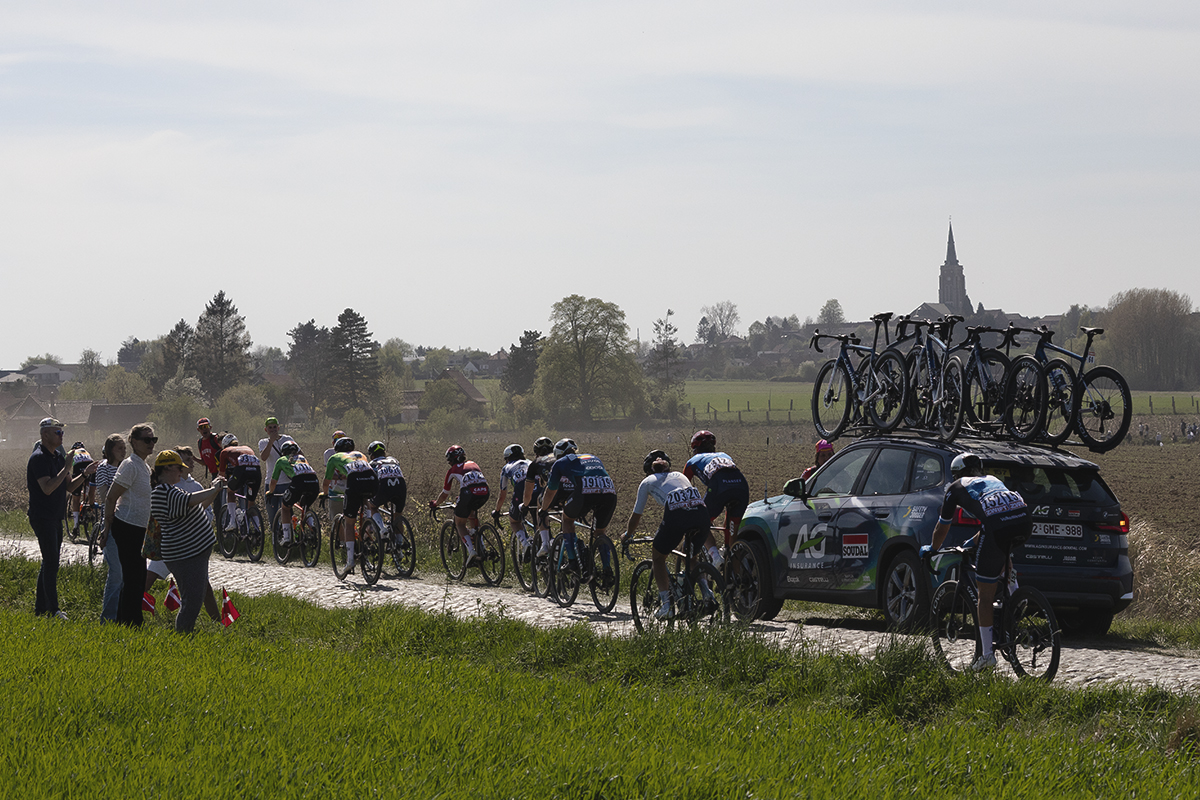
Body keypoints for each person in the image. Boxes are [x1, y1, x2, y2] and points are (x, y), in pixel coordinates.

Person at [924, 453, 1032, 672]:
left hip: (997, 527)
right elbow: (996, 517)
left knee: (984, 594)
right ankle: (1014, 592)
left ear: (956, 474)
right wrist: (971, 542)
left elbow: (942, 526)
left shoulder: (955, 488)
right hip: (1024, 521)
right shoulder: (992, 480)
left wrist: (932, 549)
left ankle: (987, 655)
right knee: (1003, 547)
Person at [621, 450, 712, 620]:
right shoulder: (680, 475)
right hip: (701, 514)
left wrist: (628, 535)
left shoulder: (647, 482)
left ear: (649, 470)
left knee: (658, 557)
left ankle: (667, 606)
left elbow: (636, 516)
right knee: (691, 556)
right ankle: (707, 593)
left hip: (677, 516)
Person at [27, 417, 97, 619]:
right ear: (45, 434)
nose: (61, 435)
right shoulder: (39, 458)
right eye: (57, 432)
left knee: (49, 562)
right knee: (51, 562)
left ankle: (41, 609)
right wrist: (67, 466)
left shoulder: (58, 457)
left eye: (62, 432)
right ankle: (53, 610)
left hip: (55, 516)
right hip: (42, 516)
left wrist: (84, 474)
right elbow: (48, 488)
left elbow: (68, 486)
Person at [149, 451, 226, 633]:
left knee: (195, 596)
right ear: (167, 468)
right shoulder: (162, 492)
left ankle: (187, 633)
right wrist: (214, 488)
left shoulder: (170, 489)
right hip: (185, 555)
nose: (181, 472)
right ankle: (183, 636)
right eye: (179, 468)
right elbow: (190, 501)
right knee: (191, 601)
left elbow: (196, 506)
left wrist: (215, 489)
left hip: (192, 553)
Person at [99, 423, 157, 626]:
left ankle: (126, 621)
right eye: (146, 440)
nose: (151, 444)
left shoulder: (144, 466)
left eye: (153, 440)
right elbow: (111, 497)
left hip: (140, 529)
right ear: (134, 441)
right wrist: (107, 528)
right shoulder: (130, 465)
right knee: (132, 578)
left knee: (138, 578)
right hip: (126, 526)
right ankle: (130, 624)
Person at [538, 439, 617, 571]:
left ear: (558, 454)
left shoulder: (559, 463)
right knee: (600, 532)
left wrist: (543, 509)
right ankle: (607, 569)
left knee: (567, 519)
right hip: (609, 492)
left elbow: (551, 490)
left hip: (585, 492)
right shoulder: (592, 457)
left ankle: (572, 561)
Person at [683, 430, 750, 567]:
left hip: (719, 486)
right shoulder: (725, 455)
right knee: (733, 536)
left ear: (695, 449)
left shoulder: (691, 462)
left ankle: (715, 557)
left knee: (699, 523)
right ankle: (735, 577)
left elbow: (683, 487)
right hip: (741, 487)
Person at [321, 437, 377, 572]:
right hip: (372, 480)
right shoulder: (360, 455)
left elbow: (326, 481)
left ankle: (350, 560)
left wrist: (324, 493)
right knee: (367, 502)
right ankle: (376, 526)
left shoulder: (334, 458)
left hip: (354, 483)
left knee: (349, 522)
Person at [429, 445, 490, 565]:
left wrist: (436, 503)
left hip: (468, 494)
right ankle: (480, 545)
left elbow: (445, 493)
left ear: (451, 459)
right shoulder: (474, 463)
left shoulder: (452, 471)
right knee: (472, 514)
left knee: (460, 523)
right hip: (485, 492)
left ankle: (471, 551)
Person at [94, 434, 126, 622]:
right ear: (110, 449)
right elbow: (105, 496)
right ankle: (108, 617)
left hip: (128, 522)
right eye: (119, 448)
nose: (123, 451)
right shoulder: (103, 469)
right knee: (116, 573)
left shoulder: (127, 467)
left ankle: (121, 614)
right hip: (112, 522)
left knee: (125, 574)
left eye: (124, 447)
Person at [267, 440, 320, 545]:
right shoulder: (302, 458)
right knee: (304, 506)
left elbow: (273, 481)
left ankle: (286, 537)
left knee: (285, 508)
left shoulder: (281, 460)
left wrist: (270, 492)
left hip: (299, 482)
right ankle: (311, 525)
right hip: (314, 482)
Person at [258, 417, 295, 546]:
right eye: (270, 428)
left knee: (288, 512)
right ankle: (275, 542)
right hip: (271, 482)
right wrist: (271, 442)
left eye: (275, 427)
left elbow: (299, 453)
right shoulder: (263, 442)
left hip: (286, 482)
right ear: (266, 430)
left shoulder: (287, 439)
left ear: (278, 428)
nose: (273, 430)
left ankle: (288, 538)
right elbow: (263, 457)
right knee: (272, 514)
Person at [492, 443, 533, 559]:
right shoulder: (530, 462)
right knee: (540, 520)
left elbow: (502, 494)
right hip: (537, 491)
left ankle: (526, 544)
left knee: (514, 520)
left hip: (521, 493)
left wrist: (497, 511)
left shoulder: (506, 468)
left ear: (507, 458)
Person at [520, 436, 557, 557]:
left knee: (540, 504)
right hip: (571, 491)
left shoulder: (536, 463)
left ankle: (545, 544)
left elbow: (527, 493)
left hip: (554, 491)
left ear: (536, 452)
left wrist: (525, 505)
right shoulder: (559, 458)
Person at [217, 434, 262, 533]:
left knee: (230, 491)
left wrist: (218, 483)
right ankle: (257, 530)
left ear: (225, 445)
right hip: (257, 471)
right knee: (251, 502)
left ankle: (232, 522)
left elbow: (221, 474)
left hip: (242, 470)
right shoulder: (247, 448)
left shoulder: (224, 451)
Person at [365, 440, 407, 538]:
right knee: (398, 515)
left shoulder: (372, 463)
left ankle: (382, 529)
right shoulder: (394, 460)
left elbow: (371, 481)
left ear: (372, 456)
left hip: (384, 487)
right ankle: (399, 547)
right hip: (400, 486)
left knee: (372, 507)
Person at [68, 441, 97, 532]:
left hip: (78, 470)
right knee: (88, 492)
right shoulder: (86, 452)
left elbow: (65, 467)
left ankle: (76, 525)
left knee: (76, 499)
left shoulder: (71, 453)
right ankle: (87, 506)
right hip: (91, 469)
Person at [323, 430, 348, 520]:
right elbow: (329, 474)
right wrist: (341, 476)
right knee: (337, 519)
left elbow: (328, 476)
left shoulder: (350, 454)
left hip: (346, 489)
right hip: (335, 489)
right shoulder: (328, 453)